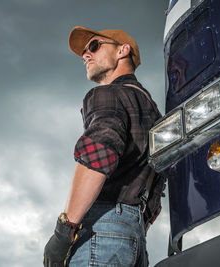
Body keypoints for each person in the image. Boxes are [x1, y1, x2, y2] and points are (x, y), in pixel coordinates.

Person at [43, 26, 161, 267]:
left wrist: (64, 231)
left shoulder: (107, 94)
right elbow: (160, 181)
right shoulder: (151, 109)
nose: (86, 55)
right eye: (84, 51)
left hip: (102, 228)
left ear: (122, 51)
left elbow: (99, 155)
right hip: (135, 237)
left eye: (94, 46)